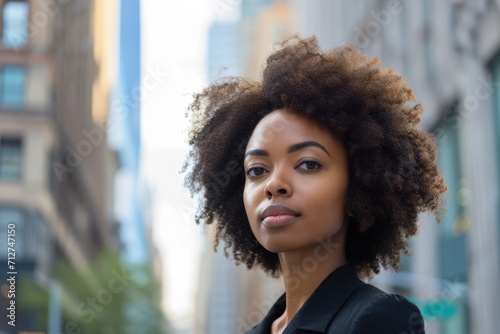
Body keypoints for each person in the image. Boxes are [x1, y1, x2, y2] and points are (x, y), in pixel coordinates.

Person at [183, 35, 447, 334]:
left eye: (308, 164)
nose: (274, 185)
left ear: (359, 185)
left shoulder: (379, 320)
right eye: (257, 170)